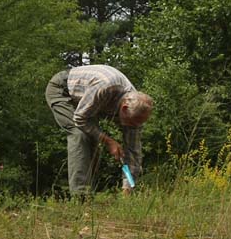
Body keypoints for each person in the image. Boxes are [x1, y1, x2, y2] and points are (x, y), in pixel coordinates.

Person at [45, 64, 153, 197]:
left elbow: (133, 153)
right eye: (132, 122)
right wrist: (109, 142)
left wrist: (128, 189)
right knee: (79, 134)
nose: (133, 126)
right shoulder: (106, 87)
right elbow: (80, 119)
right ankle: (80, 197)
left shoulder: (135, 111)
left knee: (93, 138)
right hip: (63, 89)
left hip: (87, 100)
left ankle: (94, 193)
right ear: (124, 109)